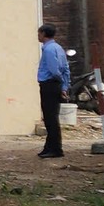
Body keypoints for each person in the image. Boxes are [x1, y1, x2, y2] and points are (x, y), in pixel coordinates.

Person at [36, 23, 69, 159]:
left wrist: (59, 81)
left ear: (43, 34)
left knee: (50, 118)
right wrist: (64, 86)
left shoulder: (49, 50)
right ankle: (49, 147)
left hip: (50, 84)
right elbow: (66, 68)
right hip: (55, 85)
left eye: (39, 33)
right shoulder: (58, 48)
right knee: (51, 117)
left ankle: (55, 149)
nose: (38, 36)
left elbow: (54, 70)